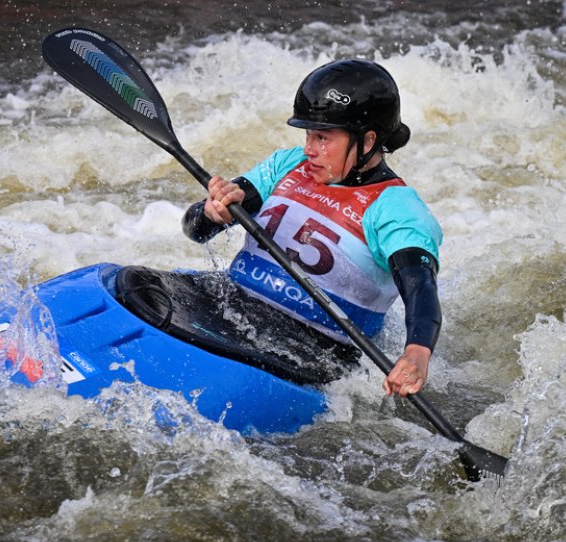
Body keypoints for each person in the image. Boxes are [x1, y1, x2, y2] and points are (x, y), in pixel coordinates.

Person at [181, 59, 442, 398]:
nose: (309, 150)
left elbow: (421, 287)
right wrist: (212, 214)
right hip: (231, 307)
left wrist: (417, 351)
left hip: (311, 353)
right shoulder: (288, 165)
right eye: (308, 134)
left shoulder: (396, 208)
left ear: (367, 142)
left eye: (322, 138)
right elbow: (196, 230)